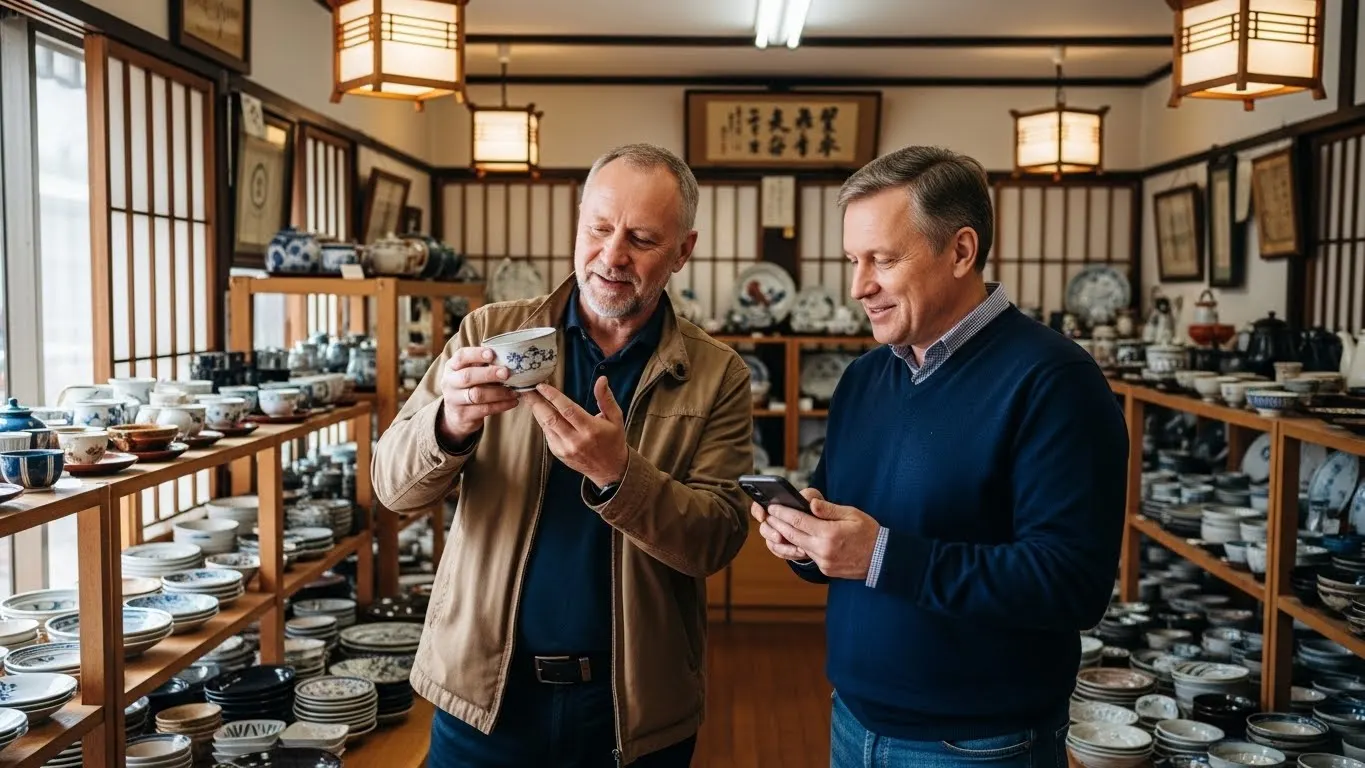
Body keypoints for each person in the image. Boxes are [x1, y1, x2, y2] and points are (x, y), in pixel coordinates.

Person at [372, 143, 753, 768]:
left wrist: (619, 476)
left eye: (642, 239)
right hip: (482, 698)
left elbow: (716, 540)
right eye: (598, 228)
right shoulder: (489, 335)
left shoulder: (716, 374)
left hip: (632, 710)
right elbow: (391, 486)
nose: (611, 256)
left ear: (684, 250)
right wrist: (448, 424)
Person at [752, 145, 1128, 768]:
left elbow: (1071, 586)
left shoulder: (1055, 380)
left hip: (979, 743)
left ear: (961, 251)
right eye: (853, 260)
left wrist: (878, 555)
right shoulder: (864, 378)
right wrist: (806, 541)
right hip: (852, 719)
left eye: (883, 259)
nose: (858, 286)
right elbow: (844, 545)